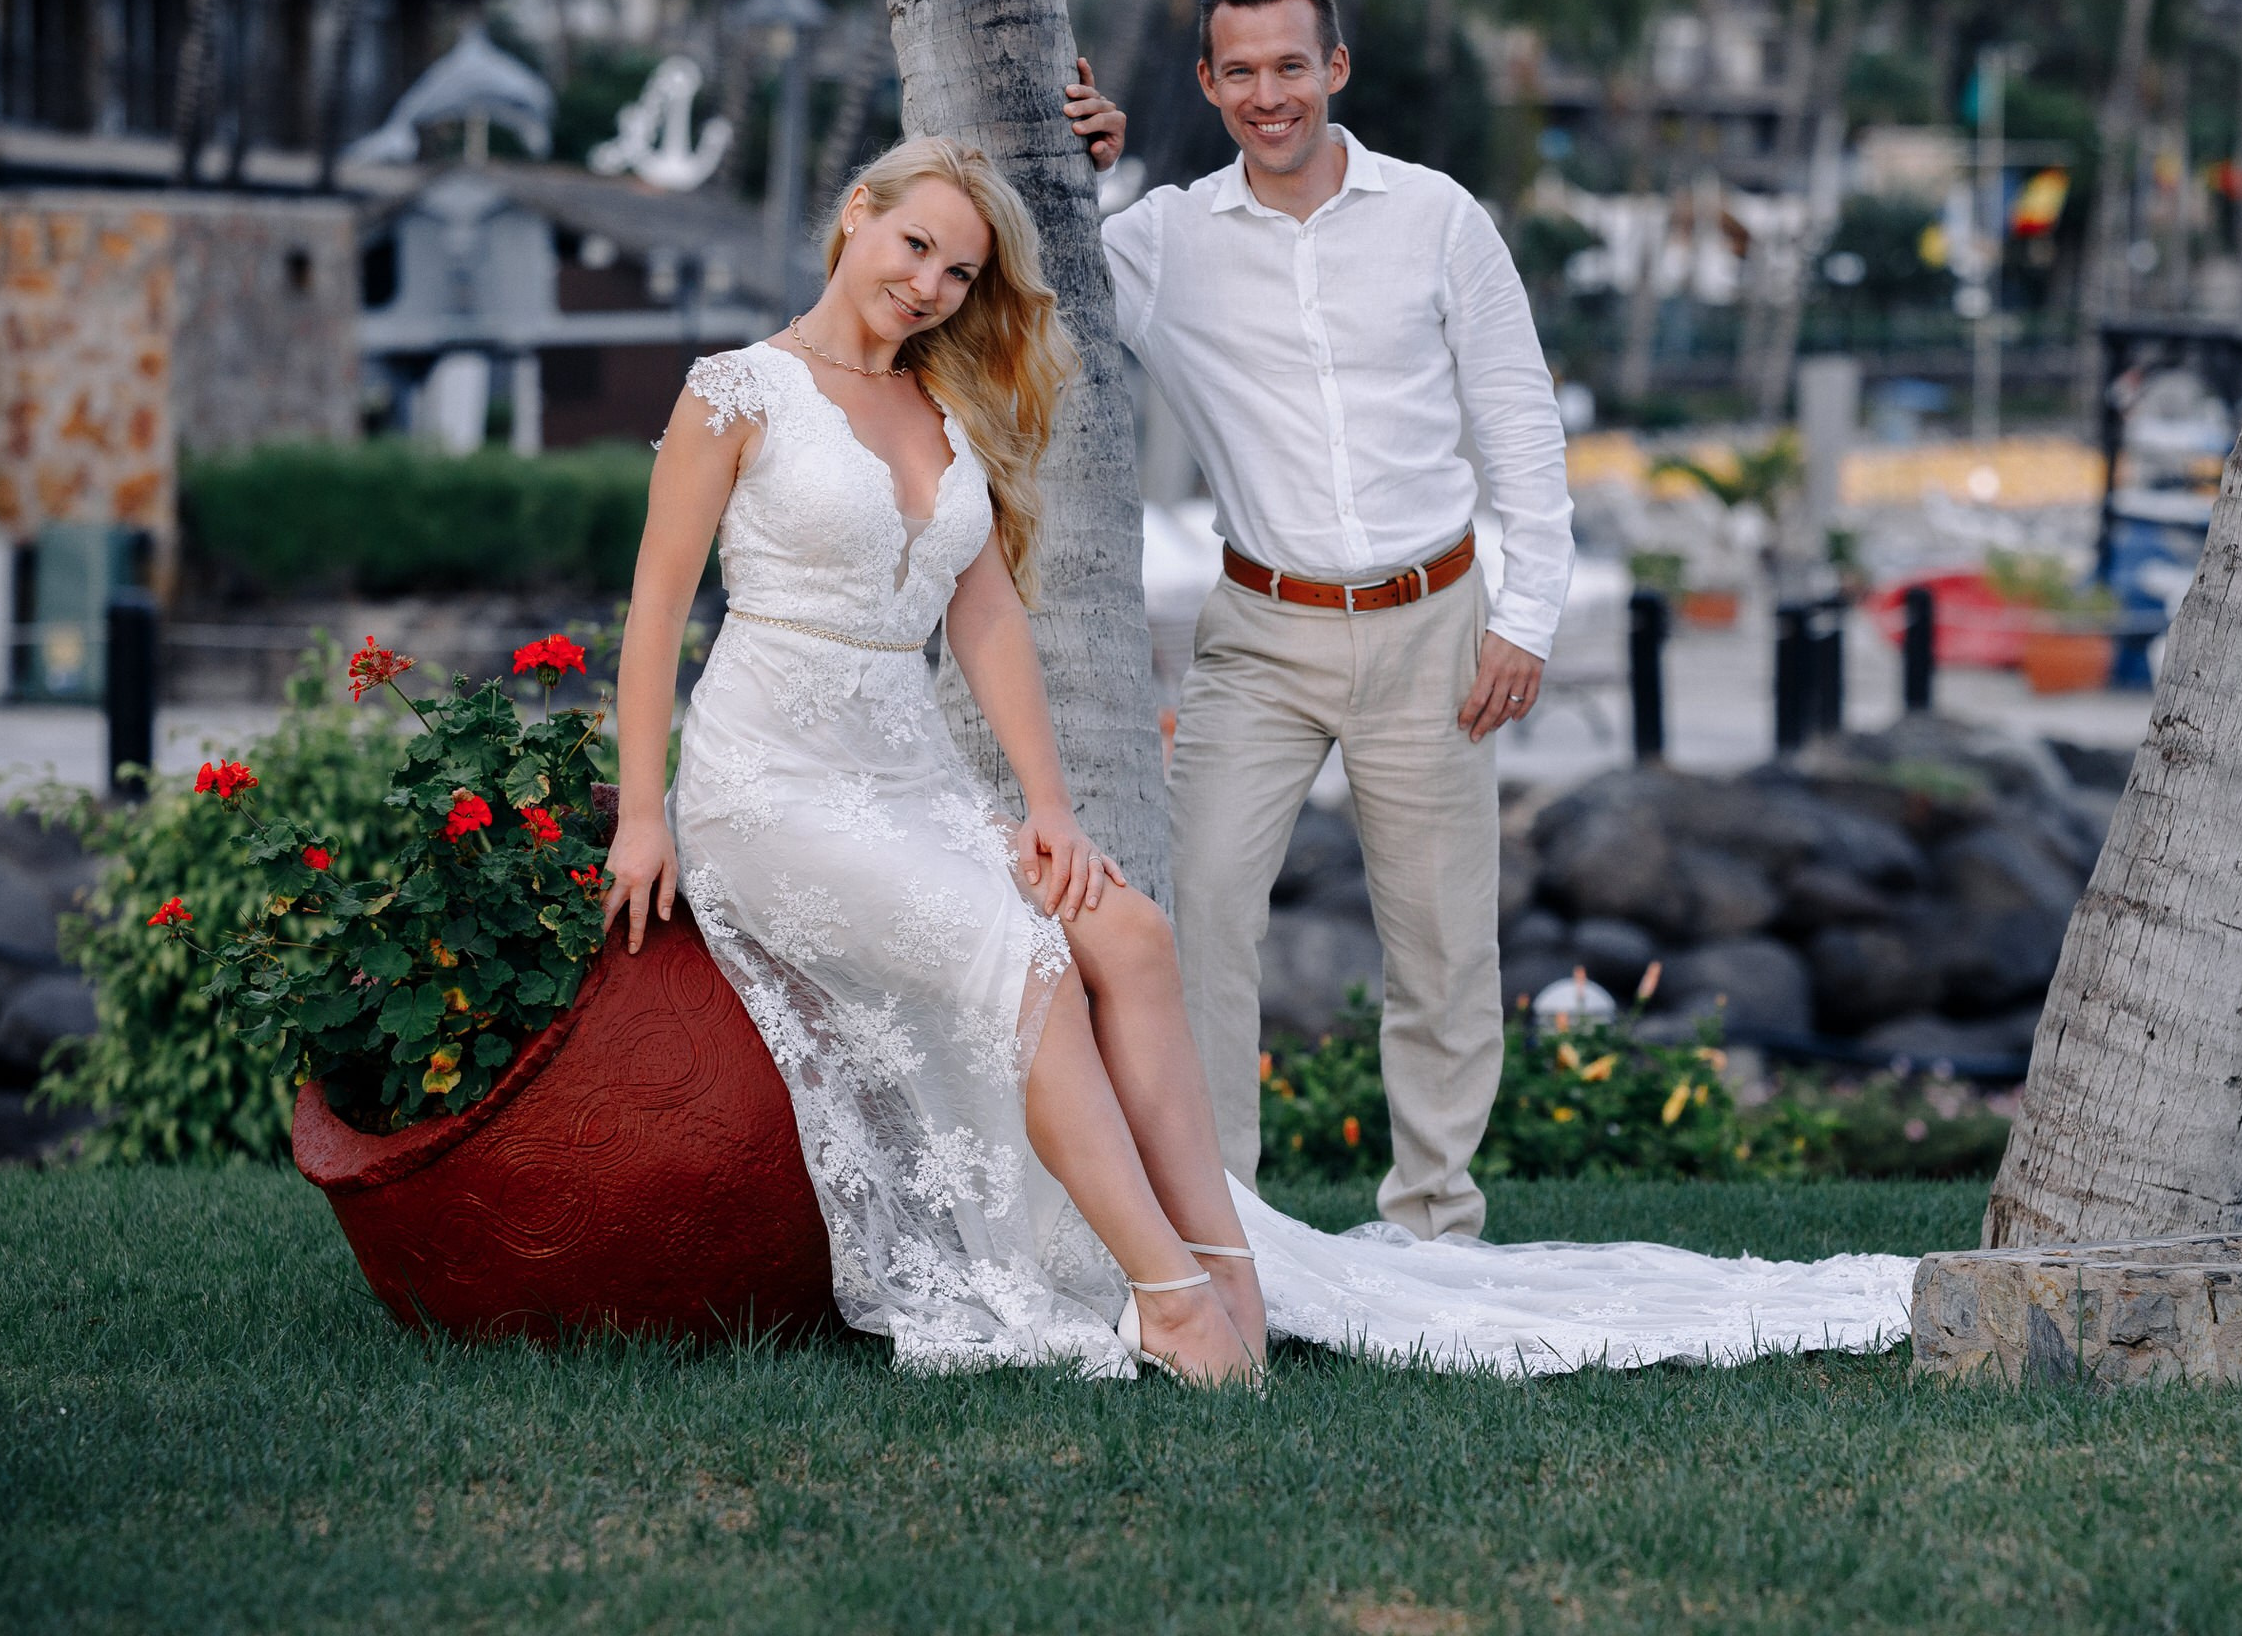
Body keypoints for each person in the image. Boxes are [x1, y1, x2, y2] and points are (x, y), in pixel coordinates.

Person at [605, 134, 1913, 1383]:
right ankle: (1168, 1301)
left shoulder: (945, 400)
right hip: (769, 785)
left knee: (1132, 937)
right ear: (856, 214)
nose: (930, 286)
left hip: (907, 776)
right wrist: (642, 817)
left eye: (958, 274)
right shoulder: (738, 390)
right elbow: (660, 607)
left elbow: (987, 611)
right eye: (915, 247)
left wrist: (1047, 807)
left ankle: (1226, 1266)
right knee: (1031, 965)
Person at [1065, 0, 1572, 1240]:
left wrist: (1526, 618)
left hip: (1436, 626)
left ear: (1334, 68)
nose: (1269, 93)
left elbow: (1519, 421)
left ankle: (1433, 1227)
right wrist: (1089, 167)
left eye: (1292, 65)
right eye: (1240, 72)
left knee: (1445, 948)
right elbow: (1031, 288)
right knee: (1202, 926)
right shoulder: (1162, 240)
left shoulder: (1441, 218)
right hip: (1259, 636)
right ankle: (1223, 1221)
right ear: (1209, 83)